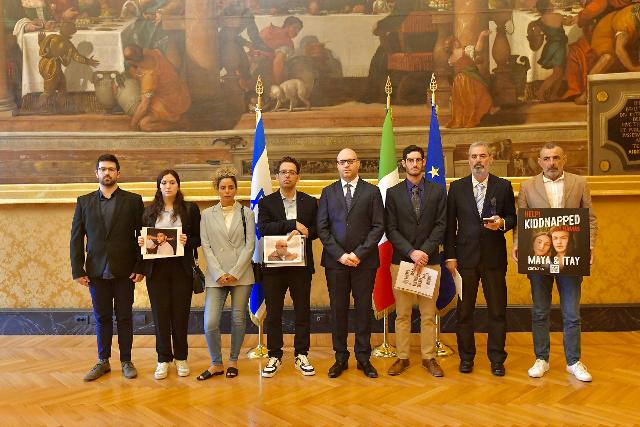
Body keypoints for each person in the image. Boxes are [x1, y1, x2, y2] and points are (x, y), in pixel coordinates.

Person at [513, 143, 598, 382]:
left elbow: (590, 219)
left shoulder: (579, 183)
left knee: (572, 313)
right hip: (538, 256)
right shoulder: (527, 186)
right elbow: (522, 220)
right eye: (547, 158)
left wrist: (589, 247)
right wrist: (517, 244)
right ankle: (542, 359)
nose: (552, 162)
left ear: (564, 159)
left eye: (556, 158)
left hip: (570, 256)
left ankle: (573, 361)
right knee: (540, 311)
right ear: (539, 162)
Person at [70, 154, 145, 381]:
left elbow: (143, 235)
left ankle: (126, 361)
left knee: (124, 317)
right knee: (101, 317)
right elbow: (76, 238)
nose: (107, 173)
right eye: (103, 169)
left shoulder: (133, 201)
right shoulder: (84, 202)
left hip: (125, 271)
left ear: (118, 174)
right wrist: (78, 270)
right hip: (96, 272)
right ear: (97, 174)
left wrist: (140, 265)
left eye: (111, 169)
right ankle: (103, 361)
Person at [444, 141, 517, 377]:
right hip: (464, 261)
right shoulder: (456, 188)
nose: (478, 160)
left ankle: (497, 359)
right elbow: (449, 226)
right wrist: (451, 256)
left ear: (490, 159)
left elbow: (512, 217)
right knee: (464, 312)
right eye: (474, 156)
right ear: (468, 160)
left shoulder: (503, 186)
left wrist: (502, 224)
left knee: (497, 311)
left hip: (494, 260)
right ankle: (467, 358)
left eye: (482, 156)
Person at [317, 148, 385, 379]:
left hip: (364, 263)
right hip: (336, 263)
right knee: (338, 310)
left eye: (350, 161)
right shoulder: (328, 192)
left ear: (358, 164)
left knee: (363, 309)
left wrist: (359, 253)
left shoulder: (372, 192)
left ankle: (364, 358)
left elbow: (378, 226)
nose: (346, 165)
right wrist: (340, 255)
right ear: (337, 165)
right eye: (341, 162)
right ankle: (340, 357)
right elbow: (322, 228)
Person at [384, 145, 447, 377]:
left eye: (418, 160)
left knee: (429, 314)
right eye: (410, 160)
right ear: (403, 163)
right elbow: (390, 228)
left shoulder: (438, 191)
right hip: (402, 262)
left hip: (430, 262)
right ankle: (402, 358)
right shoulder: (393, 193)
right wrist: (411, 253)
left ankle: (429, 358)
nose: (414, 164)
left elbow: (441, 225)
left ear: (423, 163)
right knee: (402, 314)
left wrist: (424, 252)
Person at [258, 156, 319, 378]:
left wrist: (306, 231)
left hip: (301, 267)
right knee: (273, 313)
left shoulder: (310, 202)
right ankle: (274, 354)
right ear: (277, 176)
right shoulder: (267, 202)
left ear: (298, 177)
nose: (287, 176)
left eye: (292, 172)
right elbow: (264, 228)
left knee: (302, 311)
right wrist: (292, 225)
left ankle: (301, 354)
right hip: (274, 268)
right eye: (283, 172)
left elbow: (317, 230)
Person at [137, 169, 201, 380]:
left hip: (181, 269)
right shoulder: (148, 212)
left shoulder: (190, 209)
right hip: (157, 271)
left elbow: (198, 239)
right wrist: (141, 242)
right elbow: (143, 241)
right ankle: (163, 359)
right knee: (160, 315)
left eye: (172, 182)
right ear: (159, 186)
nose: (168, 186)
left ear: (178, 185)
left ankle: (181, 357)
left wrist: (186, 241)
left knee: (181, 315)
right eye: (163, 182)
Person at [198, 167, 255, 380]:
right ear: (217, 189)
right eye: (223, 187)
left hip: (241, 275)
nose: (227, 191)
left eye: (231, 187)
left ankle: (233, 361)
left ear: (236, 189)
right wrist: (219, 272)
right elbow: (206, 245)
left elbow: (250, 245)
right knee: (210, 321)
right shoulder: (207, 215)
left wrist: (235, 272)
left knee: (238, 319)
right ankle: (216, 363)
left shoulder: (247, 213)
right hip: (216, 275)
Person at [123, 43, 191, 131]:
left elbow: (143, 106)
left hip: (171, 103)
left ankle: (179, 125)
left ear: (131, 62)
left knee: (144, 124)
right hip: (179, 91)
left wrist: (132, 125)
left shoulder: (149, 76)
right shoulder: (151, 53)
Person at [445, 30, 497, 128]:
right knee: (478, 95)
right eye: (455, 41)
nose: (457, 42)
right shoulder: (464, 50)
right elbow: (478, 49)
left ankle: (474, 116)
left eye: (456, 41)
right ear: (453, 44)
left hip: (459, 81)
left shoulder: (451, 58)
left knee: (468, 100)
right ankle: (482, 113)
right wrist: (481, 35)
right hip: (468, 78)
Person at [529, 0, 575, 101]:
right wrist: (572, 18)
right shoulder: (557, 16)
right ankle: (540, 91)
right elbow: (569, 22)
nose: (553, 5)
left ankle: (553, 94)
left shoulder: (540, 21)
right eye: (551, 4)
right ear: (548, 7)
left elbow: (536, 32)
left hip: (550, 47)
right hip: (559, 48)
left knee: (560, 72)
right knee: (558, 73)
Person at [258, 16, 303, 85]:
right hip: (264, 69)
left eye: (298, 30)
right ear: (287, 26)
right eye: (295, 28)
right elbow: (278, 63)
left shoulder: (269, 29)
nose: (296, 32)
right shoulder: (288, 43)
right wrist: (279, 84)